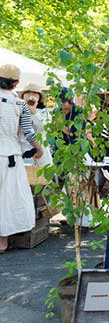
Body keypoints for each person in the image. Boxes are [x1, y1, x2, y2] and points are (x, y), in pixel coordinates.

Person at [0, 64, 43, 253]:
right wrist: (38, 149)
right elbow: (28, 132)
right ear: (16, 83)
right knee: (8, 198)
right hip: (9, 156)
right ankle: (2, 240)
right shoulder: (19, 104)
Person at [18, 83, 50, 164]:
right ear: (23, 96)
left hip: (40, 152)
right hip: (22, 151)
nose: (31, 95)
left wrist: (34, 111)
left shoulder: (43, 112)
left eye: (35, 93)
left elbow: (44, 128)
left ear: (39, 97)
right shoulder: (17, 110)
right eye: (28, 92)